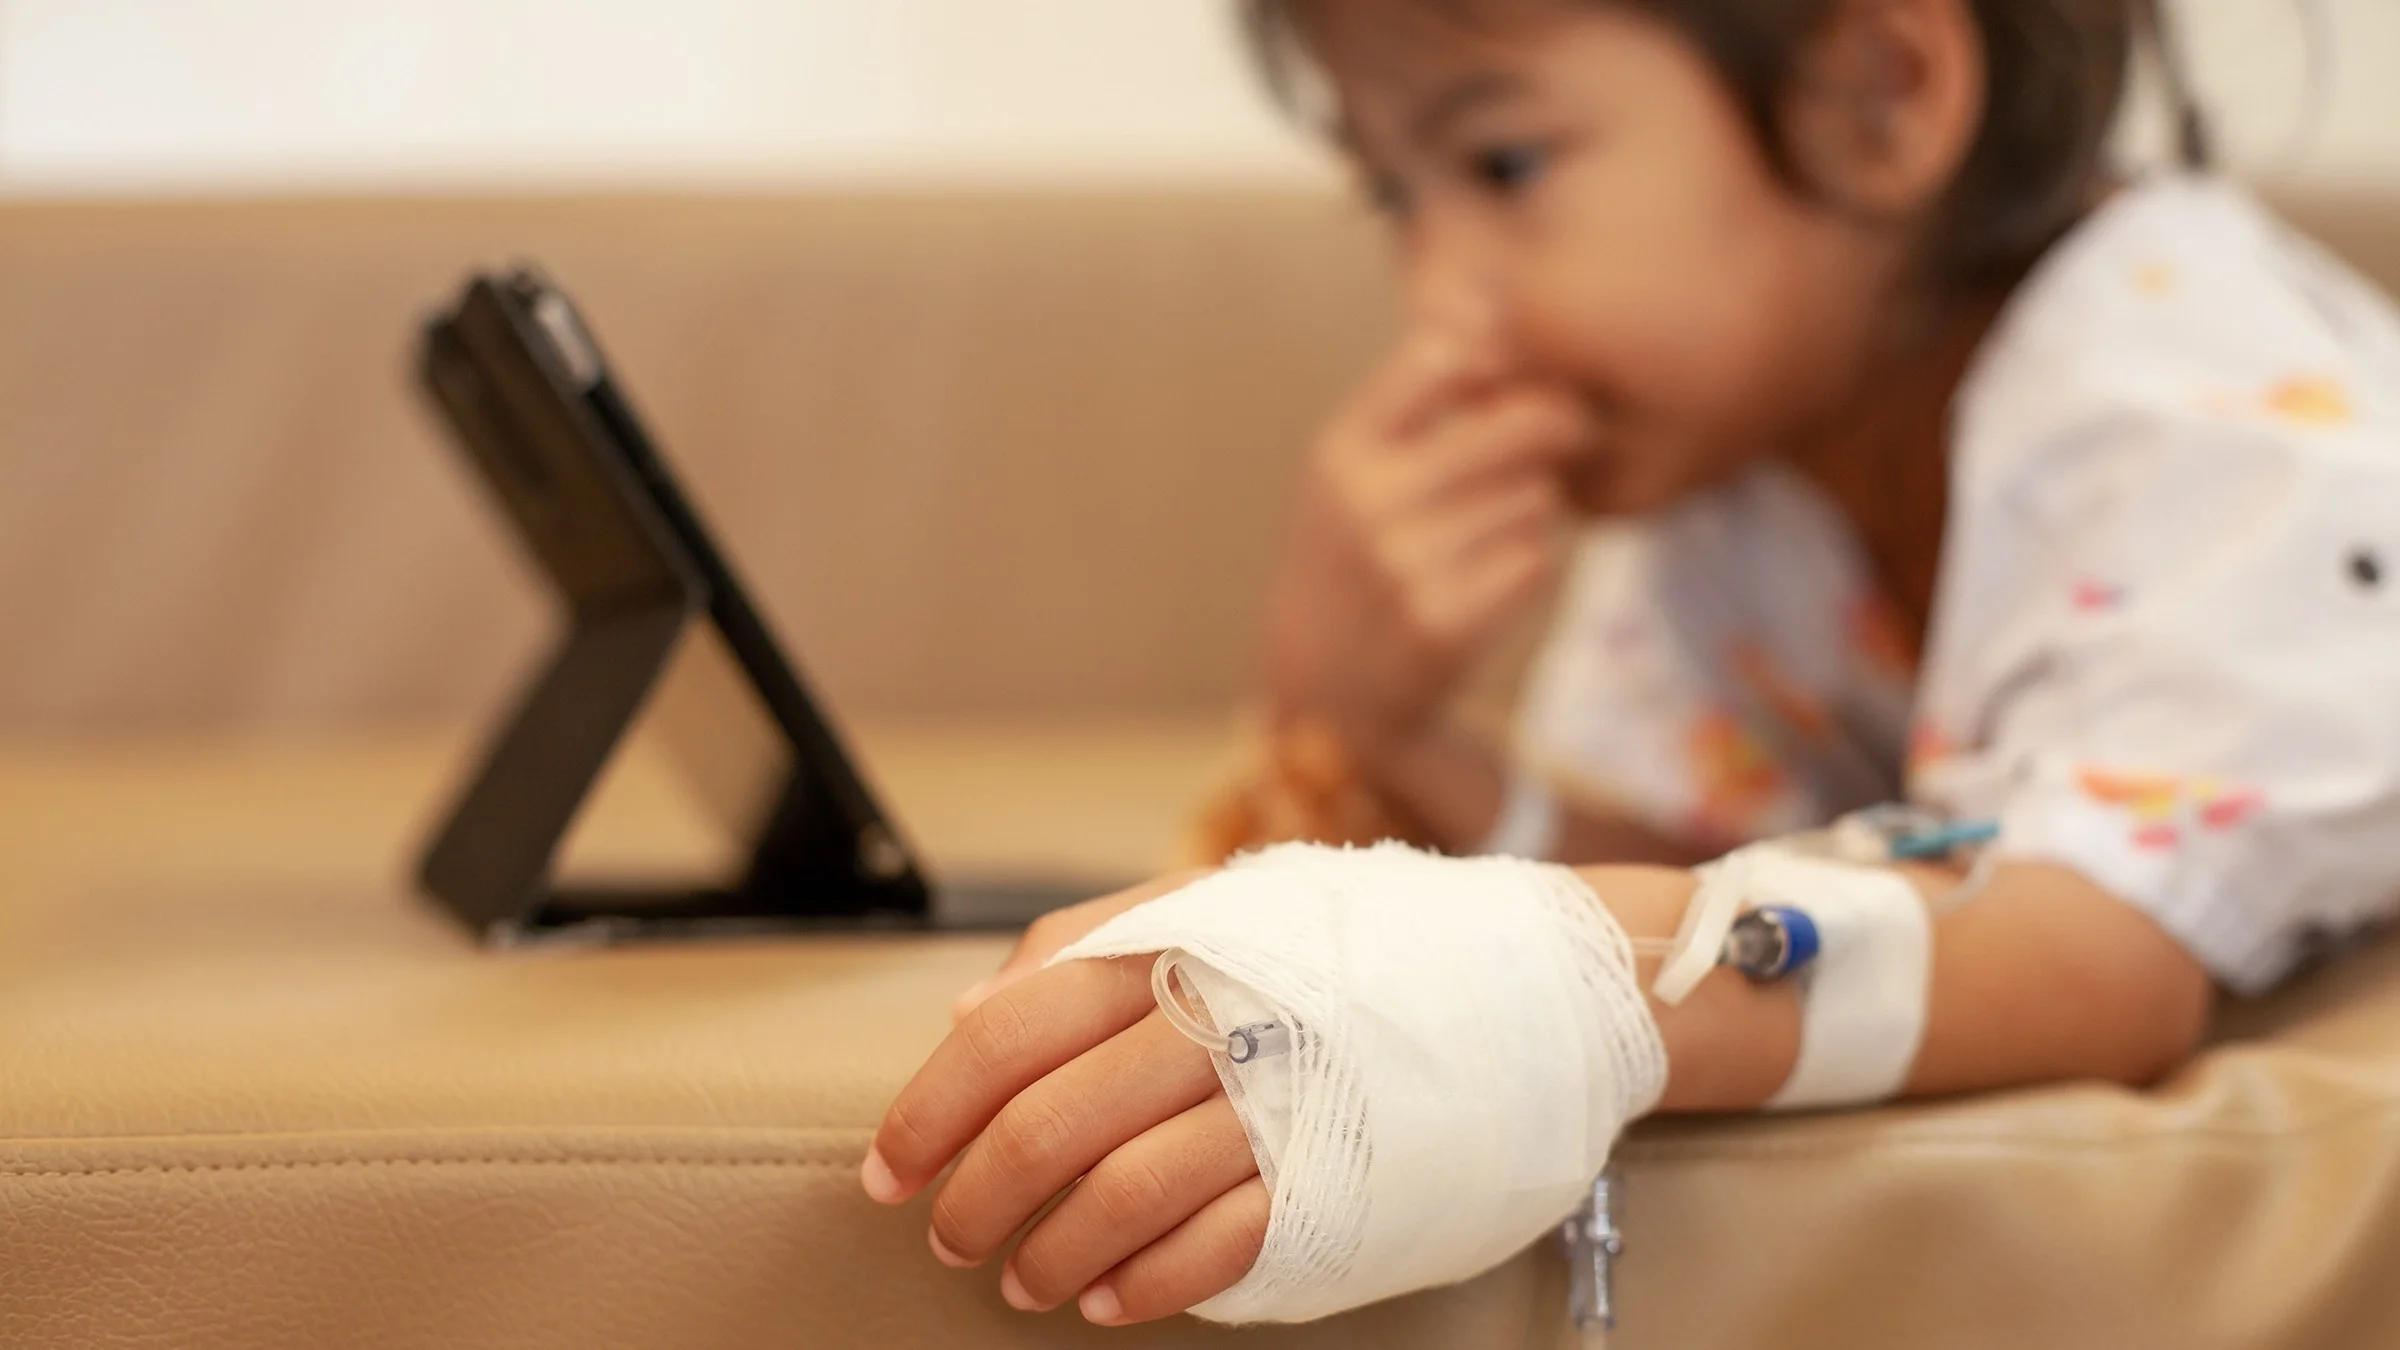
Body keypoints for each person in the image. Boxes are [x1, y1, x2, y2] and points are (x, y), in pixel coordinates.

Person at [864, 0, 2400, 1327]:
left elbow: (2097, 942)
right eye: (1395, 196)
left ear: (1879, 96)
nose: (1441, 308)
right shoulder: (1747, 460)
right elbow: (1760, 888)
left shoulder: (2197, 411)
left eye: (1505, 166)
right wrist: (1376, 726)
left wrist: (1522, 982)